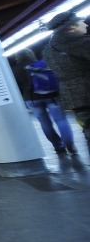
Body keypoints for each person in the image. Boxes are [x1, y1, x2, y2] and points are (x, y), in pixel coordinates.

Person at [43, 10, 90, 147]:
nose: (85, 25)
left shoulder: (48, 49)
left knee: (87, 128)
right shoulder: (82, 42)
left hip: (73, 96)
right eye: (81, 22)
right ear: (72, 27)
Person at [17, 47, 76, 154]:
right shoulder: (43, 63)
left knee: (45, 124)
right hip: (51, 96)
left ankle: (58, 146)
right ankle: (69, 144)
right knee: (61, 120)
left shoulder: (15, 69)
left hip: (31, 99)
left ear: (18, 57)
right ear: (32, 54)